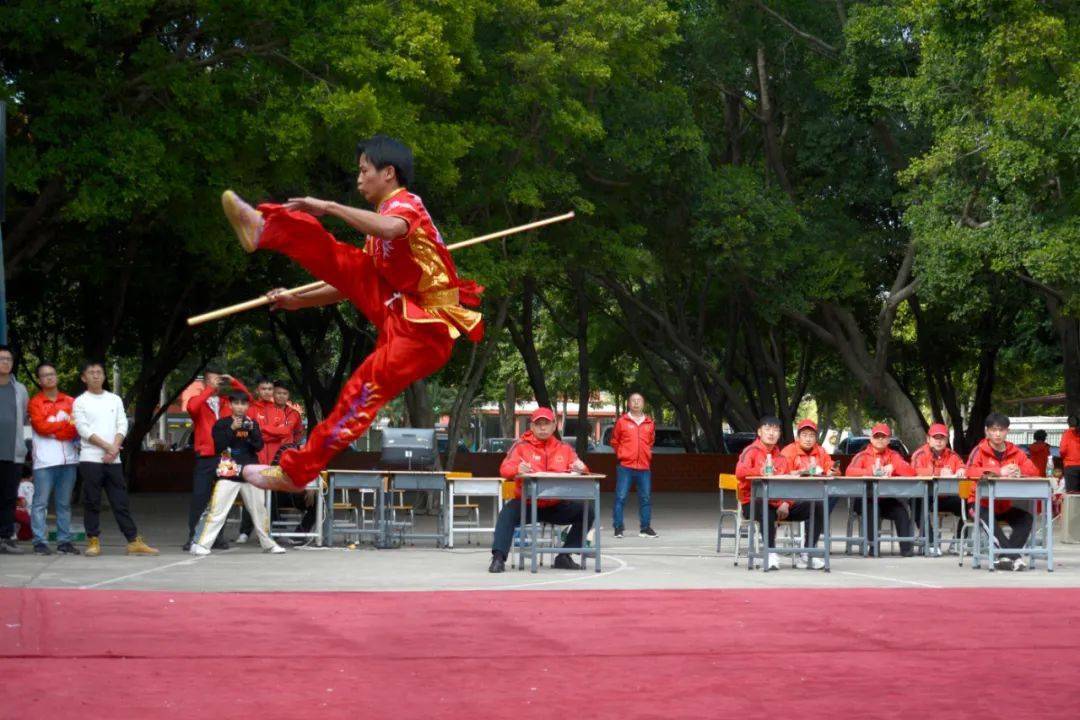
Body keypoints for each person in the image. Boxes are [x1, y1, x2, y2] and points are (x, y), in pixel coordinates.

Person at [221, 135, 483, 492]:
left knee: (359, 393)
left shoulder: (407, 205)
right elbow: (349, 282)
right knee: (344, 259)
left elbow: (392, 228)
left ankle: (296, 471)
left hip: (427, 330)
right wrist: (298, 301)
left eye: (364, 171)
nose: (358, 180)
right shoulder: (377, 231)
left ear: (388, 173)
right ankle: (268, 229)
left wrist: (328, 206)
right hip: (398, 307)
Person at [487, 407, 593, 573]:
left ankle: (564, 556)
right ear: (532, 427)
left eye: (546, 424)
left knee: (587, 510)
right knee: (506, 514)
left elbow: (583, 468)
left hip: (555, 505)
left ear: (553, 426)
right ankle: (498, 558)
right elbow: (504, 470)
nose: (543, 428)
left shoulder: (564, 448)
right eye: (539, 424)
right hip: (527, 503)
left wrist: (581, 468)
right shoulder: (521, 446)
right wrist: (518, 468)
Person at [72, 361, 158, 556]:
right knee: (92, 501)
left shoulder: (114, 399)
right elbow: (83, 430)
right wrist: (108, 447)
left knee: (120, 501)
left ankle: (133, 540)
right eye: (91, 372)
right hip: (91, 459)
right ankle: (93, 541)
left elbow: (122, 424)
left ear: (104, 376)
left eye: (99, 372)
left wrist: (114, 448)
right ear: (84, 378)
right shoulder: (80, 402)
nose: (96, 375)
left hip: (114, 460)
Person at [190, 392, 284, 555]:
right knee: (217, 510)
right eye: (237, 403)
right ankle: (202, 544)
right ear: (231, 405)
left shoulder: (252, 423)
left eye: (244, 404)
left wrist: (253, 430)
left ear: (248, 406)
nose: (240, 407)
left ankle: (268, 544)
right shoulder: (222, 424)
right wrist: (232, 429)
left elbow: (259, 446)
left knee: (259, 511)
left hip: (250, 472)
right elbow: (219, 446)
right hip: (228, 470)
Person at [735, 416, 826, 570]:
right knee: (767, 507)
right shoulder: (750, 451)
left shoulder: (782, 458)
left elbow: (788, 485)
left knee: (816, 505)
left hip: (780, 506)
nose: (771, 433)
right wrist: (760, 471)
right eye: (767, 429)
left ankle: (807, 554)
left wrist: (786, 503)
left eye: (775, 430)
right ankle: (770, 554)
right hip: (753, 503)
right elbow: (739, 471)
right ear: (759, 432)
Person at [184, 368, 251, 551]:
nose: (216, 384)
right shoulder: (198, 401)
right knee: (200, 497)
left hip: (225, 456)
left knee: (223, 498)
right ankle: (194, 537)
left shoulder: (226, 403)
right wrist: (208, 390)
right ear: (205, 382)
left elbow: (246, 399)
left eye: (218, 381)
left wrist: (233, 381)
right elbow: (191, 408)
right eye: (212, 380)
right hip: (205, 456)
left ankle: (217, 537)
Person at [965, 412, 1039, 571]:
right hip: (979, 503)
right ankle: (1015, 557)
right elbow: (969, 472)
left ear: (1007, 431)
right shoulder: (979, 450)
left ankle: (1005, 557)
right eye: (993, 430)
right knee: (988, 518)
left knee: (1026, 518)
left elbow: (1034, 470)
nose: (997, 434)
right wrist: (999, 471)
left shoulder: (1016, 451)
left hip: (1003, 505)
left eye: (1001, 430)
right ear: (987, 431)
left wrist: (1020, 470)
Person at [237, 379, 303, 543]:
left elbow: (287, 431)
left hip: (278, 458)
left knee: (274, 493)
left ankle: (276, 530)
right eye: (276, 392)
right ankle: (245, 530)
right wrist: (270, 433)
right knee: (252, 492)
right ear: (258, 390)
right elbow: (251, 432)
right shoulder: (252, 408)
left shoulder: (288, 412)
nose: (272, 393)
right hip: (257, 456)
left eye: (283, 393)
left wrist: (261, 428)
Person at [28, 363, 81, 555]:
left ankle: (64, 541)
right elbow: (40, 427)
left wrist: (57, 428)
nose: (49, 377)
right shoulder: (35, 402)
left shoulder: (70, 401)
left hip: (69, 460)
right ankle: (39, 541)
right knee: (40, 503)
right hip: (44, 461)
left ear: (56, 376)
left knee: (64, 503)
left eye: (52, 373)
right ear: (40, 380)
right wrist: (63, 427)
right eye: (44, 375)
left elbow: (75, 427)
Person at [844, 422, 917, 557]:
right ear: (871, 439)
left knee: (901, 511)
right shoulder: (862, 456)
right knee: (872, 509)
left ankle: (906, 549)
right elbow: (849, 472)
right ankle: (873, 547)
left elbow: (911, 472)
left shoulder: (894, 455)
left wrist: (894, 467)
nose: (880, 440)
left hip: (887, 498)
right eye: (877, 437)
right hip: (865, 498)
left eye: (883, 437)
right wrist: (869, 472)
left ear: (889, 440)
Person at [910, 423, 966, 557]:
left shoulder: (953, 455)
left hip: (946, 497)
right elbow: (913, 471)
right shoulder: (919, 454)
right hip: (925, 497)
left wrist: (961, 470)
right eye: (936, 437)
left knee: (970, 503)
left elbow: (964, 467)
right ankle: (929, 543)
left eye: (942, 438)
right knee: (916, 504)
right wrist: (939, 472)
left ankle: (958, 541)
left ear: (947, 440)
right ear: (928, 439)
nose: (939, 441)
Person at [610, 392, 658, 539]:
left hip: (644, 466)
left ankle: (645, 528)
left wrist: (647, 453)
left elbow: (650, 442)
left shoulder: (649, 423)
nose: (636, 403)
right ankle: (618, 528)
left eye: (639, 400)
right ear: (629, 404)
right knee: (621, 497)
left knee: (645, 498)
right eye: (633, 400)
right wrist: (622, 454)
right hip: (626, 466)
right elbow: (615, 441)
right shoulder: (622, 421)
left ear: (643, 404)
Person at [0, 345, 30, 555]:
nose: (5, 362)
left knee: (9, 497)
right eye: (1, 358)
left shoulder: (20, 389)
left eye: (8, 359)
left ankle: (6, 538)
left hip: (13, 453)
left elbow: (24, 414)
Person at [1061, 415, 1080, 492]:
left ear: (1068, 423)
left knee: (1072, 494)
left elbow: (1062, 450)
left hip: (1070, 466)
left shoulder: (1066, 434)